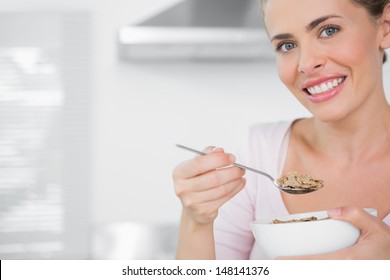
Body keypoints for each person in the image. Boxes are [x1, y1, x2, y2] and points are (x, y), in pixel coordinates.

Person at [172, 0, 390, 259]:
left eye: (328, 30)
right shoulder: (256, 152)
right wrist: (196, 221)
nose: (306, 63)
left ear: (385, 27)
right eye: (287, 45)